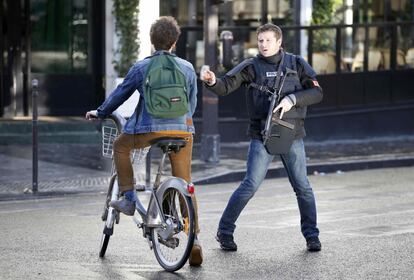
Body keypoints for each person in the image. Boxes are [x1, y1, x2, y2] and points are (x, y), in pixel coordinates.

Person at [86, 16, 202, 266]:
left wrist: (101, 112)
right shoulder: (188, 68)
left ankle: (128, 197)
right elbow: (191, 104)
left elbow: (120, 94)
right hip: (183, 131)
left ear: (152, 42)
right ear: (174, 42)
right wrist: (182, 123)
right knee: (185, 181)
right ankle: (195, 241)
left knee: (120, 146)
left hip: (149, 130)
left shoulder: (142, 67)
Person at [200, 23, 323, 252]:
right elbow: (226, 85)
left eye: (268, 40)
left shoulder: (296, 63)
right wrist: (212, 81)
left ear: (279, 42)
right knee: (250, 185)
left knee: (303, 187)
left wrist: (292, 99)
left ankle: (312, 236)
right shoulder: (251, 66)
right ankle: (224, 232)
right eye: (260, 41)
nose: (264, 45)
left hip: (292, 134)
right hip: (262, 136)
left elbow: (317, 92)